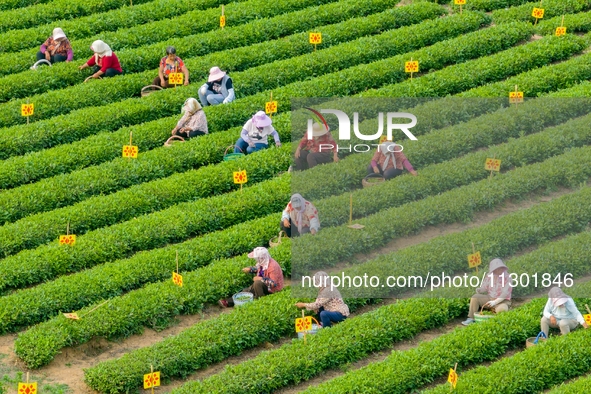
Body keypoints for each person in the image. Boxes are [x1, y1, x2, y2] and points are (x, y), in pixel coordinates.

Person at [218, 247, 284, 308]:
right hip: (264, 285)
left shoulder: (273, 267)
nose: (256, 260)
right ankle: (228, 302)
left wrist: (260, 279)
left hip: (272, 289)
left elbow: (274, 284)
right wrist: (250, 269)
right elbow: (260, 269)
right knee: (246, 291)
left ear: (261, 258)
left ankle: (260, 300)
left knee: (257, 283)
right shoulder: (264, 262)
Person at [462, 258, 512, 326]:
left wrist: (495, 302)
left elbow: (505, 294)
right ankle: (471, 318)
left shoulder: (507, 278)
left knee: (502, 309)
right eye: (496, 269)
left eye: (499, 268)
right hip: (490, 298)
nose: (498, 270)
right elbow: (485, 287)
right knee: (475, 297)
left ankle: (494, 317)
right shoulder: (489, 276)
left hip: (502, 301)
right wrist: (480, 289)